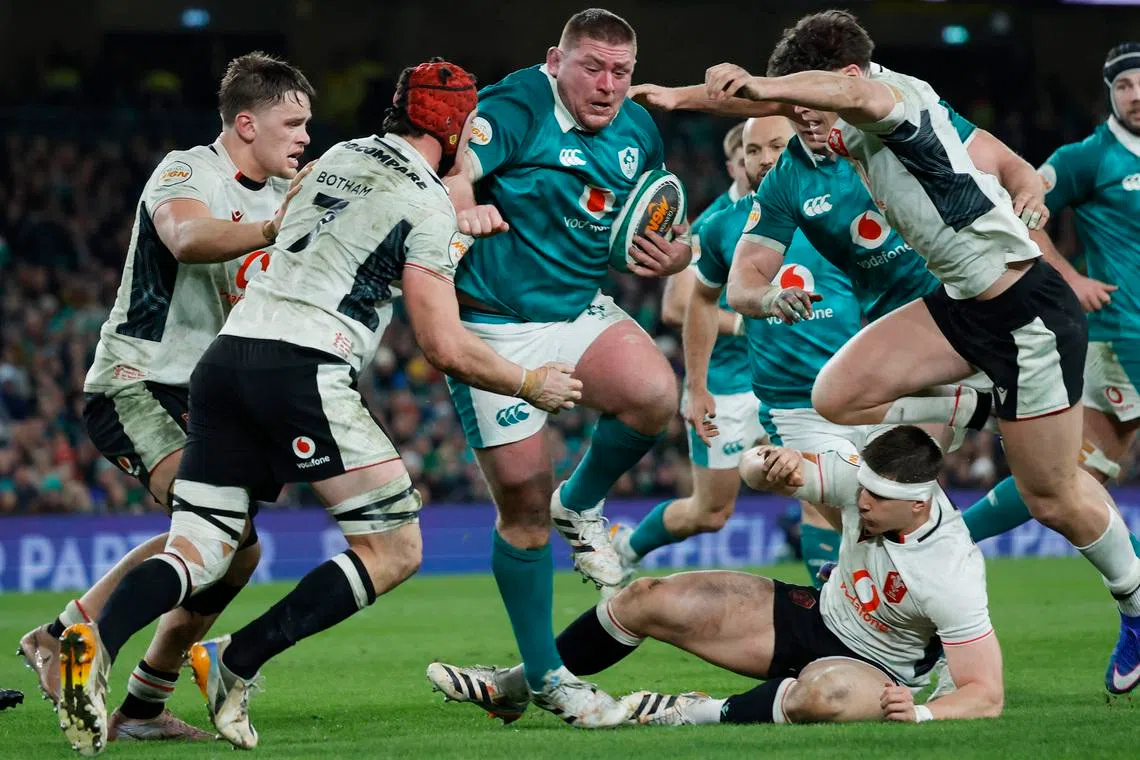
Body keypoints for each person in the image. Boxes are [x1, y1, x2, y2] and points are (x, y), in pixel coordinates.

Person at [55, 59, 584, 756]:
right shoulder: (423, 198)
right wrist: (527, 383)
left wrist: (451, 223)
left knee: (204, 544)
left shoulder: (336, 157)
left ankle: (91, 640)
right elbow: (443, 343)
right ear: (454, 133)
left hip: (224, 363)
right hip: (302, 365)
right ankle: (237, 658)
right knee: (395, 548)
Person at [652, 10, 1140, 695]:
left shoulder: (893, 96)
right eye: (794, 106)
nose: (803, 117)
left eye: (806, 100)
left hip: (1024, 311)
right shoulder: (810, 153)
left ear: (843, 78)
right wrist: (690, 98)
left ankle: (1136, 603)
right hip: (960, 307)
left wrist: (760, 88)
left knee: (1053, 495)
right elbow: (745, 274)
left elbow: (854, 97)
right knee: (834, 395)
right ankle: (971, 400)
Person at [20, 51, 314, 742]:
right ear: (246, 122)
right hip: (138, 379)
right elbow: (185, 237)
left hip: (211, 394)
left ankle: (142, 706)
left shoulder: (284, 196)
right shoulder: (190, 171)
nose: (305, 137)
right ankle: (68, 635)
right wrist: (276, 229)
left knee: (236, 551)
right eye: (293, 122)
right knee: (212, 525)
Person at [442, 7, 689, 713]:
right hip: (493, 324)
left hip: (577, 307)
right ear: (557, 60)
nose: (608, 84)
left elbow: (665, 222)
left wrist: (681, 252)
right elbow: (459, 164)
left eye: (621, 71)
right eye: (593, 66)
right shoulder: (519, 102)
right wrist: (461, 193)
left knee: (652, 395)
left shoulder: (638, 128)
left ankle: (579, 505)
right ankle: (547, 676)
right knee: (521, 503)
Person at [428, 425, 1004, 726]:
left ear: (919, 505)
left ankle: (691, 711)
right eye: (864, 491)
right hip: (812, 612)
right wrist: (768, 463)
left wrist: (924, 711)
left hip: (873, 665)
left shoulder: (951, 570)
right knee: (645, 597)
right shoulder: (864, 484)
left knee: (820, 698)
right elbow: (753, 471)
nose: (863, 505)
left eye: (876, 499)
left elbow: (986, 694)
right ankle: (515, 685)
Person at [615, 115, 860, 586]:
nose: (762, 160)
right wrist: (707, 372)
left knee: (816, 494)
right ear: (735, 162)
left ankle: (835, 609)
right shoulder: (715, 225)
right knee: (710, 512)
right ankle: (628, 546)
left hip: (797, 385)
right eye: (751, 152)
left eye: (773, 147)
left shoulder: (826, 204)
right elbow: (678, 305)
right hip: (728, 383)